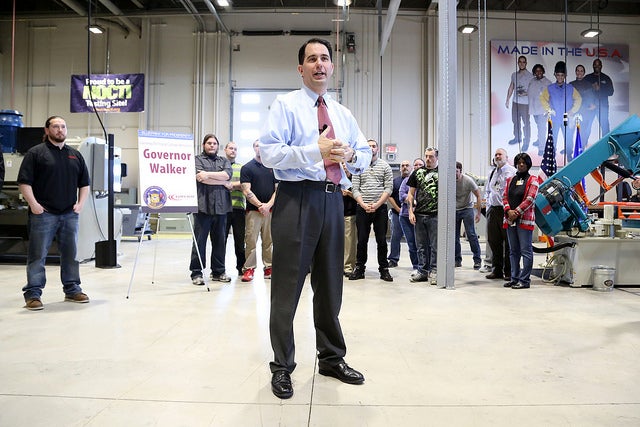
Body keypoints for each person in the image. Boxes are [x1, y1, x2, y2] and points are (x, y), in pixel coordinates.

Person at [259, 38, 372, 399]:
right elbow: (268, 153)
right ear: (301, 68)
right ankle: (282, 366)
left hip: (332, 200)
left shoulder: (342, 113)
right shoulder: (286, 106)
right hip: (297, 199)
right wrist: (315, 150)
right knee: (287, 287)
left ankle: (331, 358)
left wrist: (351, 154)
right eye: (312, 59)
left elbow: (366, 155)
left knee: (330, 285)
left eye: (324, 58)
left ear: (332, 67)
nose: (319, 64)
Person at [17, 115, 90, 311]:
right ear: (47, 130)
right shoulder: (36, 153)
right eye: (56, 126)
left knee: (71, 254)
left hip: (69, 214)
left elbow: (84, 183)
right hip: (44, 214)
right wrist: (34, 205)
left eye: (63, 126)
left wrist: (80, 204)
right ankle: (33, 294)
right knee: (37, 255)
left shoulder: (75, 155)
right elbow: (24, 182)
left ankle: (72, 289)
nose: (60, 130)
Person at [189, 134, 233, 285]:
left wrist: (207, 174)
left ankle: (218, 272)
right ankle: (196, 273)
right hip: (203, 207)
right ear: (203, 145)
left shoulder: (224, 161)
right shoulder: (197, 160)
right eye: (209, 143)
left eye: (214, 143)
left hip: (221, 207)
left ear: (218, 146)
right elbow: (201, 179)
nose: (212, 145)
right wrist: (222, 181)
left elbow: (227, 175)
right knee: (199, 242)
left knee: (220, 242)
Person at [350, 139, 394, 282]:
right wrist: (363, 204)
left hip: (380, 209)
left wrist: (377, 204)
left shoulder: (385, 166)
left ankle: (384, 269)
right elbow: (355, 188)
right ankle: (359, 268)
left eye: (373, 146)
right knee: (362, 240)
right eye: (368, 146)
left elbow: (389, 188)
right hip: (362, 208)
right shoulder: (358, 166)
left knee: (381, 240)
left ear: (378, 149)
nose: (371, 148)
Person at [240, 140, 277, 282]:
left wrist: (268, 206)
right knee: (251, 241)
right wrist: (260, 205)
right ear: (253, 148)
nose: (260, 148)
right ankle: (249, 269)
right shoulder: (247, 168)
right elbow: (246, 190)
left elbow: (277, 190)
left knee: (269, 241)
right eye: (257, 146)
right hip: (253, 212)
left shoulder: (273, 167)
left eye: (262, 146)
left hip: (270, 212)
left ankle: (269, 267)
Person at [503, 153, 539, 289]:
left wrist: (516, 212)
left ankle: (524, 281)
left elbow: (530, 199)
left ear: (528, 164)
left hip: (525, 220)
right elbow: (504, 196)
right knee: (513, 251)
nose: (521, 165)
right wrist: (508, 211)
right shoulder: (510, 180)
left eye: (524, 162)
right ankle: (514, 278)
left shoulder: (533, 180)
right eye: (519, 162)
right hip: (510, 220)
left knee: (526, 251)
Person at [407, 147, 439, 285]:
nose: (428, 159)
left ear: (437, 158)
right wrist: (410, 211)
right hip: (419, 214)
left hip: (435, 215)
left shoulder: (441, 173)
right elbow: (410, 194)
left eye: (431, 156)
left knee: (435, 246)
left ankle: (435, 271)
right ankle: (423, 271)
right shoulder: (417, 172)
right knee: (421, 246)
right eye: (426, 156)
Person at [484, 148, 516, 281]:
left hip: (506, 211)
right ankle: (496, 270)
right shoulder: (492, 172)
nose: (497, 156)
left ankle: (509, 271)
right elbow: (488, 190)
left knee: (508, 243)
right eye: (496, 155)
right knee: (493, 241)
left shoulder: (512, 171)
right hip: (493, 210)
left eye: (500, 154)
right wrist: (488, 207)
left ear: (506, 157)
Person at [540, 61, 582, 160]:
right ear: (555, 74)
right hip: (554, 118)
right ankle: (552, 156)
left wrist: (572, 111)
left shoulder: (570, 88)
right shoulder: (550, 88)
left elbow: (578, 99)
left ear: (565, 75)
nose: (560, 77)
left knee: (568, 138)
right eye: (558, 75)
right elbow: (542, 98)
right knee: (553, 138)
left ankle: (569, 156)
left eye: (562, 75)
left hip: (566, 119)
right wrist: (549, 109)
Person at [224, 141, 246, 275]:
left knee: (240, 241)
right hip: (222, 209)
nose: (233, 151)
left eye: (235, 149)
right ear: (225, 150)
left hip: (239, 209)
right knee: (221, 241)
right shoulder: (220, 166)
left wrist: (231, 185)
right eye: (231, 148)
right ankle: (219, 269)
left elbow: (245, 184)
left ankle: (241, 268)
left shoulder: (242, 168)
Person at [455, 161, 482, 270]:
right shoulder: (449, 180)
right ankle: (457, 260)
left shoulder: (468, 181)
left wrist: (478, 213)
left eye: (456, 171)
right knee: (454, 236)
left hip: (467, 208)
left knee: (471, 234)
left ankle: (477, 260)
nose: (454, 174)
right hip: (454, 209)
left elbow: (478, 195)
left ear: (460, 171)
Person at [398, 158, 424, 272]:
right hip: (405, 216)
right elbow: (401, 195)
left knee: (422, 244)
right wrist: (413, 201)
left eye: (420, 165)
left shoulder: (427, 181)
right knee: (411, 243)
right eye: (416, 165)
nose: (417, 166)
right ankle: (416, 266)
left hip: (421, 216)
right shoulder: (407, 180)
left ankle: (424, 266)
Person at [505, 55, 533, 150]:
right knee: (515, 121)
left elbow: (533, 90)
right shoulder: (514, 75)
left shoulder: (530, 76)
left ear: (526, 63)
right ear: (518, 63)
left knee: (526, 123)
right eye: (520, 62)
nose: (521, 64)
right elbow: (511, 87)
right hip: (515, 102)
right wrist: (507, 99)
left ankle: (526, 142)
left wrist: (525, 93)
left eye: (523, 62)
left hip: (525, 103)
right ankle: (517, 138)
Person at [387, 160, 411, 268]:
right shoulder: (395, 182)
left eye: (407, 165)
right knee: (395, 237)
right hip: (397, 214)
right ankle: (393, 259)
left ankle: (418, 261)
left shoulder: (414, 180)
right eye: (403, 166)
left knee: (414, 238)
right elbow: (389, 196)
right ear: (400, 168)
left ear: (411, 168)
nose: (405, 167)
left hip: (412, 214)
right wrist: (398, 209)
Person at [584, 58, 614, 138]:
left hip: (602, 106)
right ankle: (583, 145)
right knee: (586, 127)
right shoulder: (587, 77)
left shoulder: (606, 78)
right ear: (593, 66)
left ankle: (606, 145)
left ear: (601, 66)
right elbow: (583, 92)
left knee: (605, 127)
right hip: (590, 106)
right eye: (595, 64)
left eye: (598, 65)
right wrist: (591, 87)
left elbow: (611, 92)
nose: (597, 66)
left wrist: (600, 88)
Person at [527, 64, 551, 155]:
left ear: (543, 71)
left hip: (543, 110)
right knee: (539, 126)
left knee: (542, 128)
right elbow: (529, 92)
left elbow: (551, 96)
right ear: (534, 72)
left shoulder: (547, 82)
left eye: (540, 70)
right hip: (534, 109)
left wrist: (549, 109)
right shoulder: (532, 81)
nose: (538, 72)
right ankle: (539, 140)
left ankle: (541, 148)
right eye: (536, 71)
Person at [570, 64, 597, 147]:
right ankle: (570, 150)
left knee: (583, 133)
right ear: (575, 72)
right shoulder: (571, 85)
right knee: (570, 133)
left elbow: (592, 98)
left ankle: (581, 150)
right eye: (578, 70)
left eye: (581, 71)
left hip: (585, 112)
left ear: (584, 73)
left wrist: (592, 105)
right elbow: (568, 99)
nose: (579, 72)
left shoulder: (588, 85)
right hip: (573, 112)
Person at [342, 164, 357, 277]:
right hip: (337, 214)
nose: (344, 167)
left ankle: (348, 267)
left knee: (349, 243)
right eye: (342, 165)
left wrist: (348, 193)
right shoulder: (337, 178)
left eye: (346, 165)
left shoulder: (355, 180)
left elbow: (360, 196)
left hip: (350, 214)